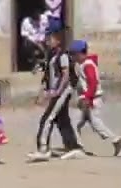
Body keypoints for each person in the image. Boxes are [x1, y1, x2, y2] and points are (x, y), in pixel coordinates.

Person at [29, 29, 84, 162]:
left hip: (62, 91)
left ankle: (43, 149)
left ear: (58, 41)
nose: (48, 42)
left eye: (50, 39)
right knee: (62, 120)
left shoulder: (62, 56)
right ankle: (73, 146)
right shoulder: (52, 56)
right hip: (57, 90)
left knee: (47, 118)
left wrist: (58, 91)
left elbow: (65, 75)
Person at [70, 40, 121, 157]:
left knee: (96, 124)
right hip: (89, 99)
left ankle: (117, 141)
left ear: (80, 54)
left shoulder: (87, 65)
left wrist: (88, 98)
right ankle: (77, 146)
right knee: (76, 123)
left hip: (92, 100)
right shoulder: (83, 65)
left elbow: (92, 83)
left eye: (73, 54)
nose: (72, 57)